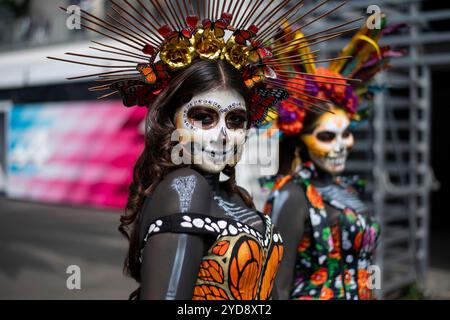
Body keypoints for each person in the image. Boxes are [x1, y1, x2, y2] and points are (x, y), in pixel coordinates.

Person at [49, 0, 354, 300]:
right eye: (204, 118)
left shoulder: (235, 196)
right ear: (172, 120)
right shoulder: (186, 187)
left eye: (235, 120)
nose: (223, 135)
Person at [261, 17, 403, 300]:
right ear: (301, 138)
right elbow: (276, 285)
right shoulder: (292, 194)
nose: (341, 146)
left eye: (346, 134)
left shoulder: (347, 188)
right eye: (326, 137)